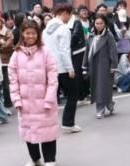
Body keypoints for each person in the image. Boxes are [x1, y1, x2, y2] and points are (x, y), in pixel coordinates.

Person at [8, 20, 59, 166]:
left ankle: (50, 159)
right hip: (25, 101)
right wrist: (16, 99)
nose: (30, 36)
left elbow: (53, 79)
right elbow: (12, 79)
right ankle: (34, 158)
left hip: (44, 99)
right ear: (22, 34)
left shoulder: (46, 52)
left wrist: (49, 99)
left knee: (47, 129)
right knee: (29, 129)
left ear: (38, 34)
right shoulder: (16, 54)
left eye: (33, 33)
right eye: (27, 33)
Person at [43, 3, 81, 134]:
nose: (69, 18)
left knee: (51, 97)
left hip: (49, 67)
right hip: (62, 68)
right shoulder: (64, 29)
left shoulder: (45, 30)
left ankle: (47, 124)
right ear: (65, 13)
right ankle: (68, 122)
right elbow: (64, 51)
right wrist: (70, 68)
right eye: (69, 15)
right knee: (73, 94)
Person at [83, 15, 118, 119]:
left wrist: (113, 66)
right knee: (97, 87)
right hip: (93, 65)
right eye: (97, 23)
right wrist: (85, 65)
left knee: (102, 88)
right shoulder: (91, 35)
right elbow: (87, 51)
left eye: (101, 23)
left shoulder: (109, 35)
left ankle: (101, 109)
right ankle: (109, 104)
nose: (99, 25)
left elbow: (113, 51)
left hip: (105, 65)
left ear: (105, 24)